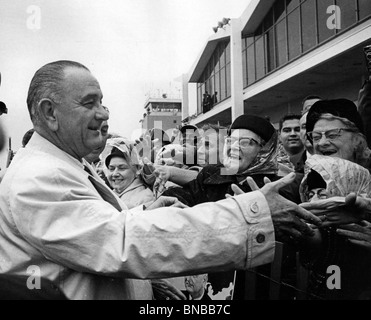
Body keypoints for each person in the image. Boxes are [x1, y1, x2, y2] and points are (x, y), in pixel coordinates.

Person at [0, 60, 320, 300]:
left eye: (102, 101)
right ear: (50, 113)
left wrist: (142, 220)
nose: (104, 113)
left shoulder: (59, 167)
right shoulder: (40, 177)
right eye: (89, 103)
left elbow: (95, 237)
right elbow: (119, 243)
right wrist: (252, 216)